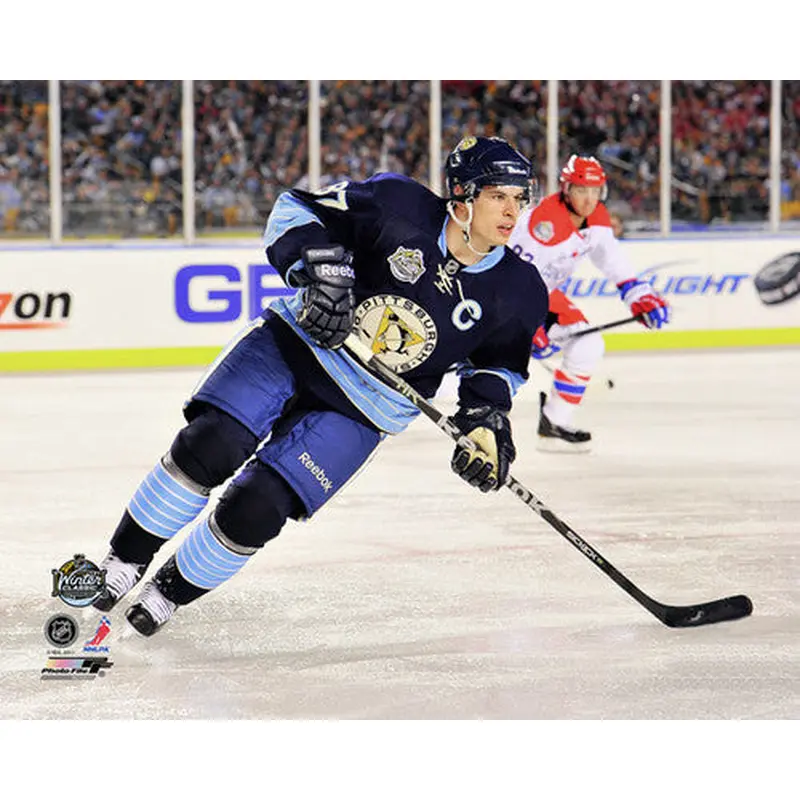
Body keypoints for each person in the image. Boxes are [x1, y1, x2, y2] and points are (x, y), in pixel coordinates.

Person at [89, 135, 549, 637]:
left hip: (368, 406)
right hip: (296, 345)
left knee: (258, 508)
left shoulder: (520, 289)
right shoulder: (397, 204)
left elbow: (496, 368)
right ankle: (123, 561)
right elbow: (295, 209)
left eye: (519, 198)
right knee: (210, 444)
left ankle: (167, 593)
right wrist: (318, 272)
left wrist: (485, 422)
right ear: (462, 194)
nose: (512, 212)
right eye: (498, 196)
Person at [508, 155, 670, 452]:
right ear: (566, 189)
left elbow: (613, 261)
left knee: (588, 344)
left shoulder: (597, 218)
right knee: (470, 362)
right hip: (503, 296)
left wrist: (638, 295)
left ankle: (554, 422)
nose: (589, 199)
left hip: (542, 296)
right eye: (581, 190)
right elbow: (511, 277)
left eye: (595, 191)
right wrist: (526, 325)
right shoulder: (545, 224)